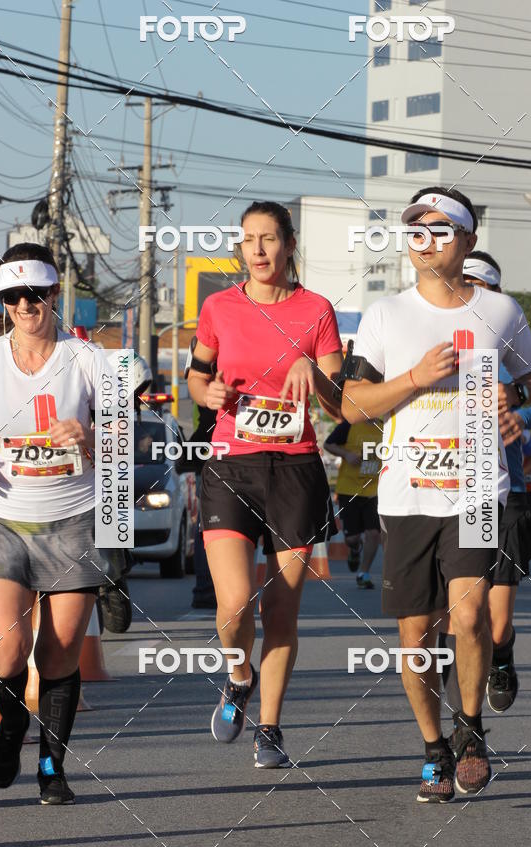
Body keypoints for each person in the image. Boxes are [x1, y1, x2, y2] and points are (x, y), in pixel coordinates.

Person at [342, 187, 531, 803]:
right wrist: (413, 379)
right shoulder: (385, 315)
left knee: (469, 614)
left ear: (468, 241)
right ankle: (433, 747)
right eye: (415, 231)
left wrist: (516, 399)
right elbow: (354, 406)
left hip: (480, 489)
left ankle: (472, 731)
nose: (424, 241)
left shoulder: (501, 312)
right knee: (416, 638)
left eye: (440, 230)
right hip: (407, 497)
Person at [187, 201, 342, 768]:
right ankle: (237, 674)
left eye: (269, 238)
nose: (257, 249)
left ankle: (270, 726)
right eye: (249, 239)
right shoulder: (219, 307)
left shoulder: (316, 310)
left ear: (289, 245)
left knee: (281, 611)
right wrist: (204, 394)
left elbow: (339, 398)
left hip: (296, 471)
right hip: (231, 466)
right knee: (233, 606)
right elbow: (197, 373)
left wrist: (315, 373)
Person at [0, 243, 123, 804]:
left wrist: (92, 438)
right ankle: (9, 726)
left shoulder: (92, 360)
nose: (25, 306)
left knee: (59, 650)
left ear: (54, 295)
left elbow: (126, 448)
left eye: (35, 295)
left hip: (73, 520)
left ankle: (52, 767)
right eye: (12, 296)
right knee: (5, 649)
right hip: (5, 521)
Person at [439, 250, 531, 717]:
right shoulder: (432, 335)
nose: (471, 292)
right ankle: (462, 718)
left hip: (505, 489)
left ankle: (503, 655)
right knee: (460, 614)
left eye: (482, 286)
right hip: (447, 490)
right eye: (463, 281)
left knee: (494, 624)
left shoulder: (510, 339)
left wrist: (516, 410)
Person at [324, 418, 381, 588]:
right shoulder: (350, 425)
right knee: (351, 538)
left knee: (374, 533)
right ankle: (355, 549)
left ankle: (364, 573)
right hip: (349, 488)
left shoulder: (386, 425)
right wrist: (346, 454)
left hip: (376, 489)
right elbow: (328, 444)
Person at [184, 335, 217, 609]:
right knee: (208, 522)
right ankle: (206, 589)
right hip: (210, 443)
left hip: (211, 443)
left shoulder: (200, 343)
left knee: (209, 523)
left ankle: (208, 589)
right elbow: (193, 380)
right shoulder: (201, 343)